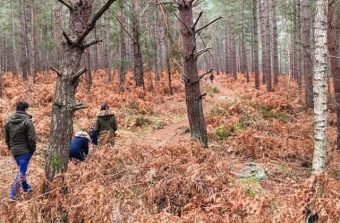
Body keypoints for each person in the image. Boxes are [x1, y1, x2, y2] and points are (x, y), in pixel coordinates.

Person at [5, 101, 36, 202]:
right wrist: (32, 149)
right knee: (21, 173)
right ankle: (12, 195)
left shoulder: (9, 121)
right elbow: (32, 138)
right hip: (25, 151)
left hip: (15, 151)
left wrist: (11, 148)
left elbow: (6, 138)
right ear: (25, 110)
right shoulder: (28, 121)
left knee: (20, 169)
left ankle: (26, 187)